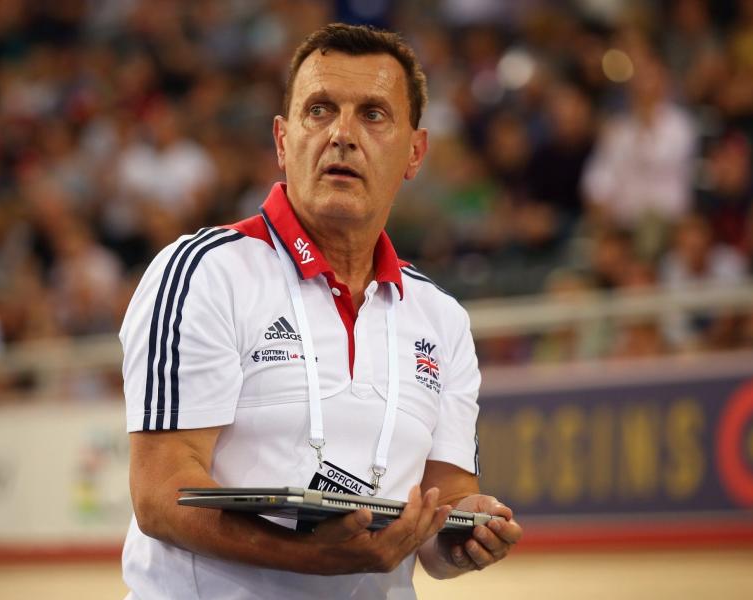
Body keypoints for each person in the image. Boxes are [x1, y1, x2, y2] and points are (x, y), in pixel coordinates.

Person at [119, 23, 522, 600]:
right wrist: (310, 557)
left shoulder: (442, 320)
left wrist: (466, 534)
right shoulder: (204, 272)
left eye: (374, 114)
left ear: (415, 152)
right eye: (320, 109)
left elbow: (445, 505)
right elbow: (160, 494)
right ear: (284, 141)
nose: (342, 134)